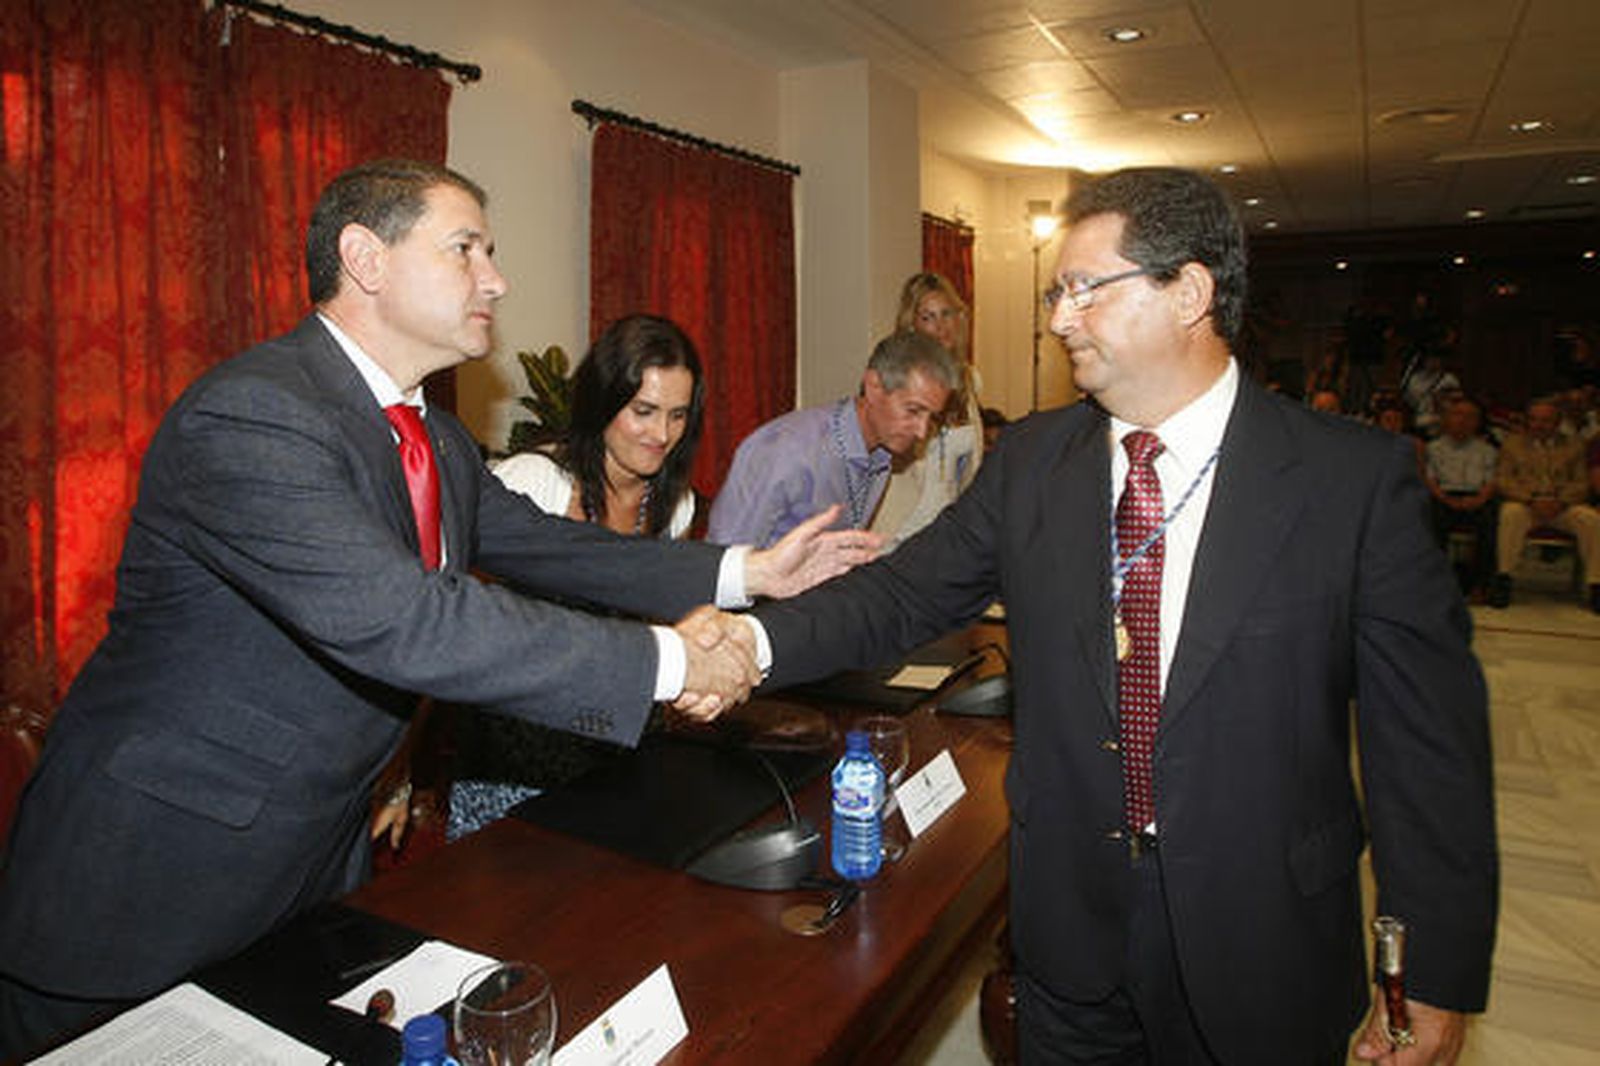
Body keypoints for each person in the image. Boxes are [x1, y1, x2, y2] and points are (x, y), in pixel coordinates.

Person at [0, 159, 874, 1059]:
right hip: (150, 884)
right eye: (466, 250)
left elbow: (557, 548)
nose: (495, 278)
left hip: (308, 870)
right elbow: (412, 620)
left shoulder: (435, 438)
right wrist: (674, 661)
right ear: (365, 259)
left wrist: (746, 572)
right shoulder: (254, 416)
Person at [741, 167, 1496, 1065]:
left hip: (1262, 944)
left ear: (1189, 292)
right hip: (1072, 941)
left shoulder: (1351, 483)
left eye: (1081, 290)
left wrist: (1433, 976)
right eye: (1057, 292)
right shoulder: (1031, 464)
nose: (1057, 318)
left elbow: (1429, 752)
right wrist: (743, 642)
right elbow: (901, 593)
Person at [450, 314, 706, 837]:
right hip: (515, 764)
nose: (662, 434)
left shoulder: (674, 505)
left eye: (678, 416)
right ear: (602, 401)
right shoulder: (531, 481)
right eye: (644, 411)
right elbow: (451, 623)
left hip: (617, 750)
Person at [706, 330, 960, 547]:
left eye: (932, 417)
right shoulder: (788, 450)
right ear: (873, 387)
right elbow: (722, 562)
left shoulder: (881, 457)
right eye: (913, 411)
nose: (922, 431)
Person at [869, 273, 984, 546]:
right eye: (928, 317)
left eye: (946, 314)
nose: (941, 326)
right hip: (896, 532)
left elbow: (972, 467)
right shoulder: (892, 380)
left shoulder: (969, 380)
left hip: (948, 533)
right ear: (911, 325)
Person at [1488, 397, 1600, 612]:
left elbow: (1582, 482)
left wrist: (1560, 501)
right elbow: (1503, 479)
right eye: (1533, 419)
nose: (1538, 425)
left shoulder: (1574, 445)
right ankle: (1504, 579)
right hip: (1526, 503)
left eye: (1545, 420)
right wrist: (1531, 499)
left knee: (1591, 519)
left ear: (1558, 422)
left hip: (1562, 505)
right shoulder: (1512, 443)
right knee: (1510, 514)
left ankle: (1596, 585)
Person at [1424, 396, 1499, 598]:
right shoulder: (1433, 448)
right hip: (1442, 497)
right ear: (1447, 418)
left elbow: (1491, 482)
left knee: (1490, 520)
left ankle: (1480, 584)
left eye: (1470, 416)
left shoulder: (1488, 450)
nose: (1462, 420)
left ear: (1477, 422)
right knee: (1430, 517)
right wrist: (1446, 499)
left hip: (1477, 498)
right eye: (1457, 415)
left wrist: (1477, 500)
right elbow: (1429, 479)